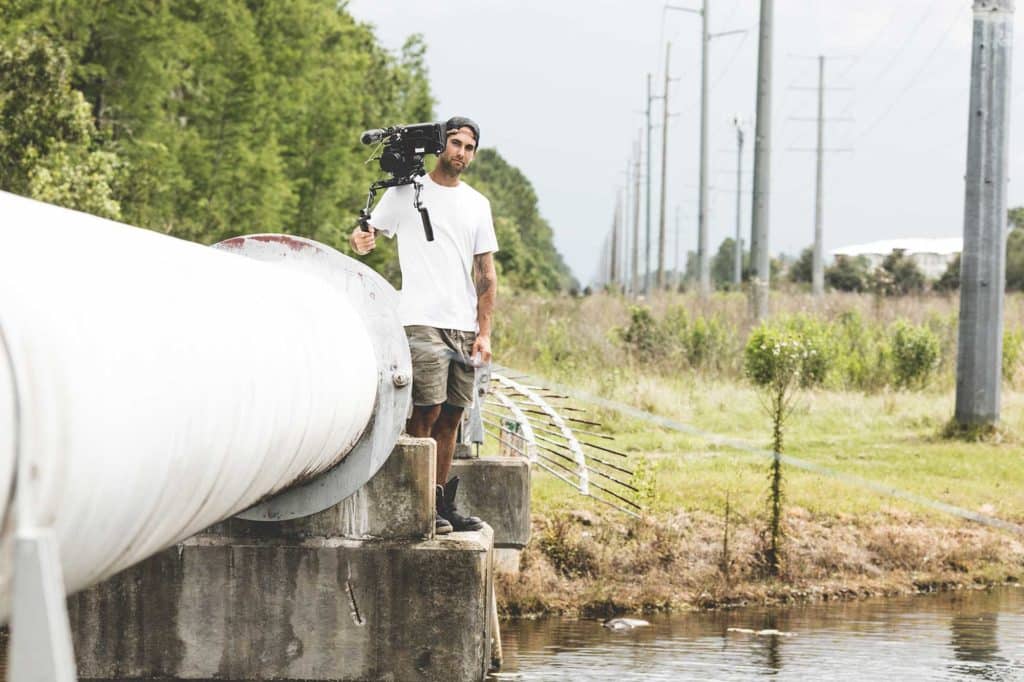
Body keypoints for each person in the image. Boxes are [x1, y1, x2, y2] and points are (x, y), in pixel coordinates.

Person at [349, 116, 498, 536]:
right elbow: (365, 233)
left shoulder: (477, 204)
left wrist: (484, 332)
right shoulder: (407, 191)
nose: (461, 154)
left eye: (469, 148)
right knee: (426, 409)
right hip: (420, 319)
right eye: (455, 144)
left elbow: (486, 274)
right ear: (441, 144)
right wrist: (361, 240)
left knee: (453, 414)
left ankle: (439, 502)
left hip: (462, 325)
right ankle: (419, 505)